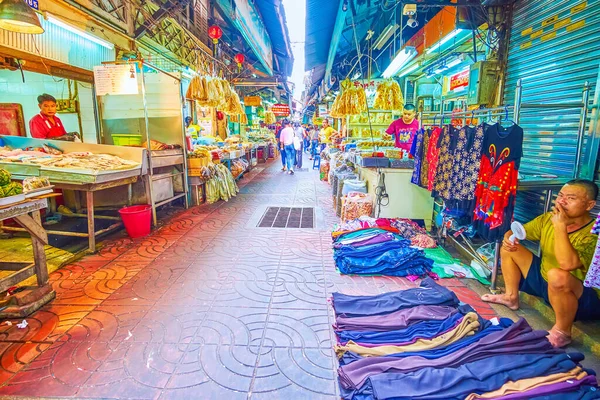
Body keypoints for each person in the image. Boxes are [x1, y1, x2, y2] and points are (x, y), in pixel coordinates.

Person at [481, 179, 600, 348]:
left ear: (589, 205)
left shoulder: (593, 233)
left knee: (557, 275)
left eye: (571, 198)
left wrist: (560, 227)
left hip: (580, 299)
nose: (561, 201)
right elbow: (515, 232)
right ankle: (511, 297)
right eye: (560, 196)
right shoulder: (547, 219)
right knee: (510, 248)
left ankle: (563, 331)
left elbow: (568, 264)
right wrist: (509, 239)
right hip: (546, 284)